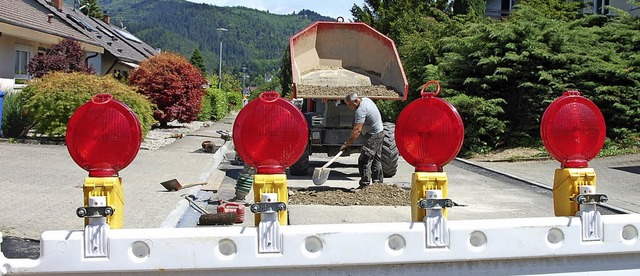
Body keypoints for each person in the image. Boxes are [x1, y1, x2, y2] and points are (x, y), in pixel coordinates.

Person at [340, 92, 384, 188]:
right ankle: (378, 185)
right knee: (376, 159)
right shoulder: (366, 100)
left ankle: (364, 185)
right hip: (380, 132)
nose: (349, 107)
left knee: (364, 160)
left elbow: (357, 130)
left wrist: (347, 144)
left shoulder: (360, 110)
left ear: (356, 101)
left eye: (350, 105)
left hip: (373, 135)